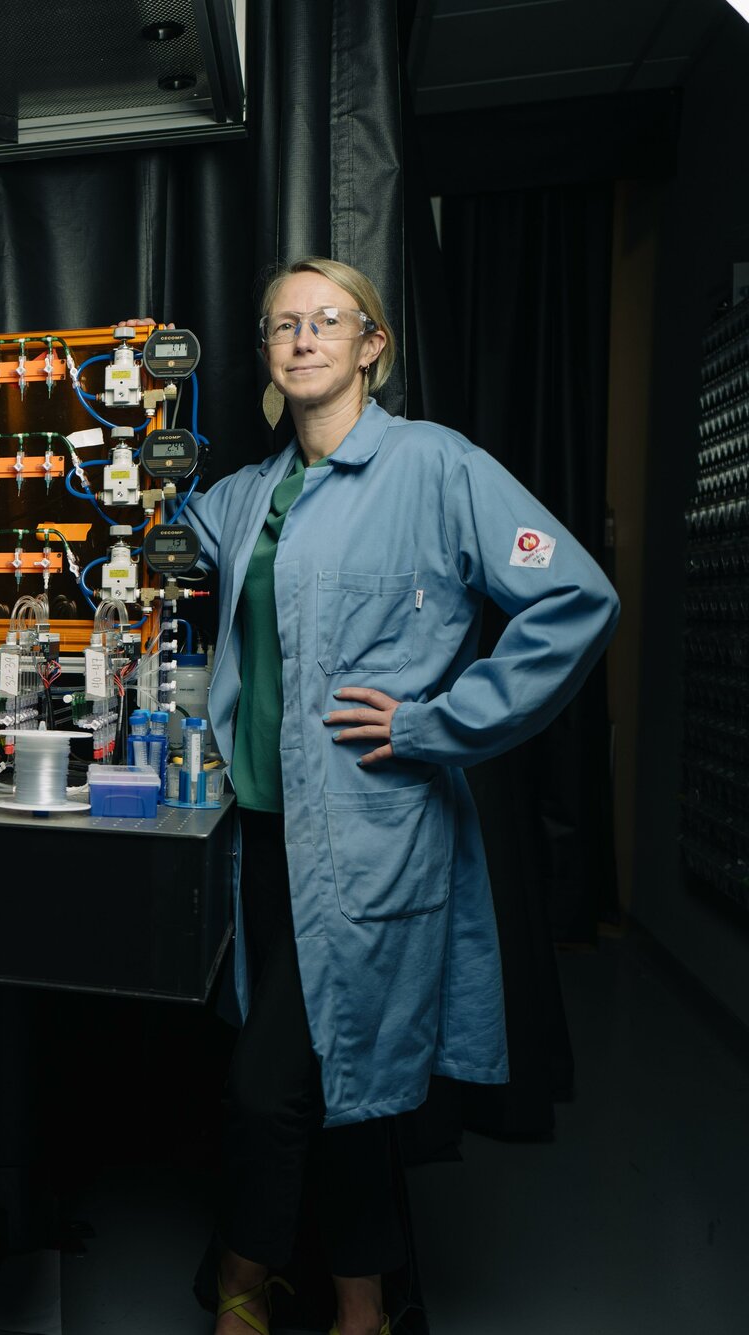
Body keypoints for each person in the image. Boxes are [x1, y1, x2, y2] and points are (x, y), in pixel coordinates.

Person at [181, 257, 619, 1335]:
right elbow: (161, 534)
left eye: (326, 319)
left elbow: (573, 596)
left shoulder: (433, 466)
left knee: (270, 1082)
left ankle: (238, 1291)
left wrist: (436, 725)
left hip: (373, 839)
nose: (300, 338)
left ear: (370, 344)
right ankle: (361, 1306)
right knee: (340, 1073)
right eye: (280, 324)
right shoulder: (245, 497)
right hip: (261, 840)